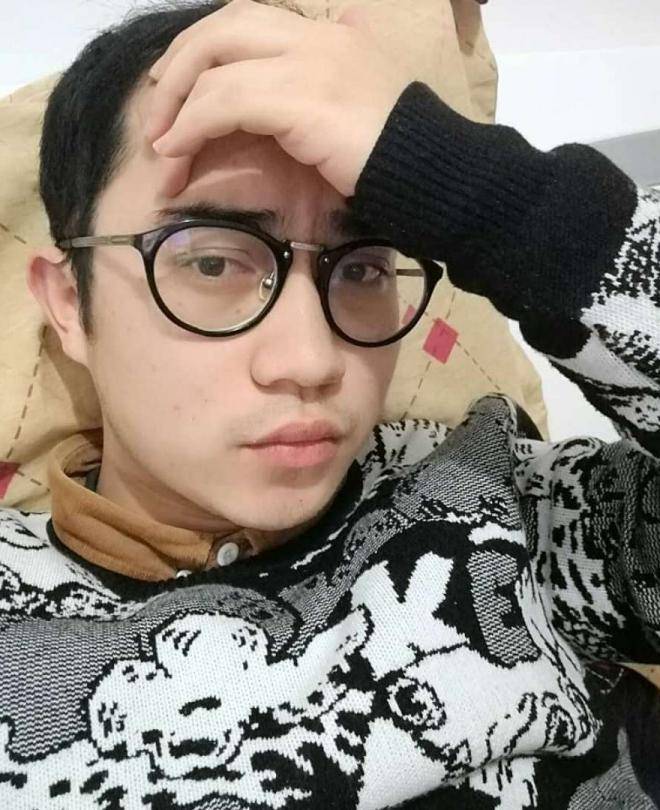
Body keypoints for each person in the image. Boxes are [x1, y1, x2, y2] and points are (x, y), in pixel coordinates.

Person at [0, 0, 657, 807]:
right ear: (69, 303)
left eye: (362, 269)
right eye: (212, 263)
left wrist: (489, 195)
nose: (311, 361)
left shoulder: (496, 497)